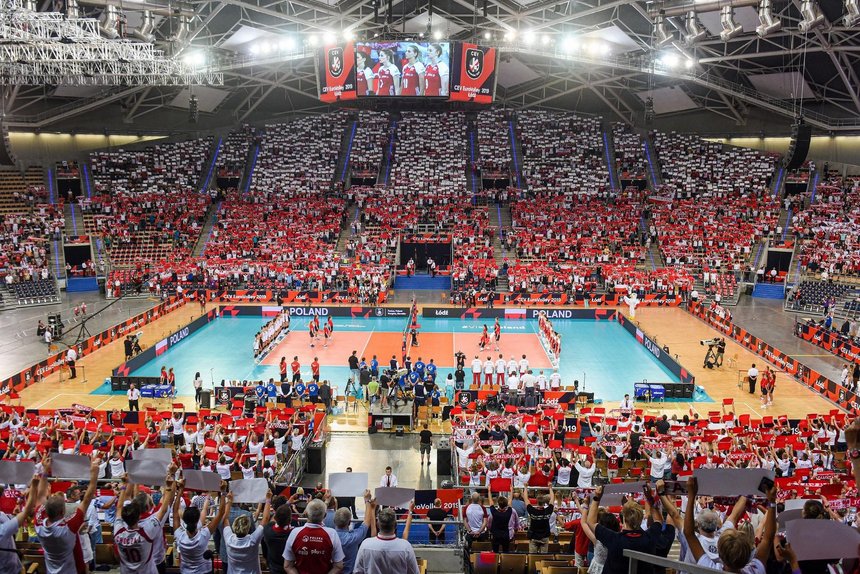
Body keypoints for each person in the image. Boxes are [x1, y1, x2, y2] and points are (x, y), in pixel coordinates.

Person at [682, 476, 776, 574]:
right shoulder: (755, 571)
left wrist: (691, 496)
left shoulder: (710, 569)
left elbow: (689, 534)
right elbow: (768, 539)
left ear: (720, 554)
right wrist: (772, 502)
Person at [36, 455, 102, 574]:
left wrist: (45, 470)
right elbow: (87, 500)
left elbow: (40, 496)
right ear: (63, 512)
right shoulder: (68, 528)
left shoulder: (39, 523)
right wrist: (94, 474)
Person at [587, 485, 663, 574]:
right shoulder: (649, 538)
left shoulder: (614, 538)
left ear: (623, 519)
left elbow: (591, 522)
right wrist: (649, 497)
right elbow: (658, 520)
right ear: (641, 518)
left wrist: (596, 498)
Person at [175, 487, 229, 574]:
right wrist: (223, 492)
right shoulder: (204, 535)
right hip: (204, 571)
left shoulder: (179, 535)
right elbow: (220, 512)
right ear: (197, 521)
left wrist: (180, 491)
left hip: (186, 571)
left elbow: (175, 511)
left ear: (184, 519)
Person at [283, 499, 345, 574]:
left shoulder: (295, 533)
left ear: (306, 514)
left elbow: (287, 566)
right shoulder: (332, 534)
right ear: (325, 515)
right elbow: (339, 566)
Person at [353, 506, 419, 574]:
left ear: (378, 525)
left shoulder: (365, 545)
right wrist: (410, 511)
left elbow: (357, 571)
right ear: (395, 525)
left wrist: (372, 509)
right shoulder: (405, 547)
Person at [223, 490, 272, 574]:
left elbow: (225, 519)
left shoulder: (229, 539)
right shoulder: (253, 540)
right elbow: (266, 519)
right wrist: (268, 499)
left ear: (234, 527)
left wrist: (229, 501)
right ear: (248, 528)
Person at [0, 475, 38, 574]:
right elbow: (27, 511)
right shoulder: (2, 531)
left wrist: (15, 512)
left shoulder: (3, 517)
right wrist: (34, 486)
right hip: (9, 570)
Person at [334, 491, 374, 574]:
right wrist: (367, 501)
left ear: (334, 521)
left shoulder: (329, 536)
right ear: (349, 522)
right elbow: (367, 522)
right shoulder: (353, 537)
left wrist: (327, 501)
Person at [263, 502, 293, 574]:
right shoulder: (293, 534)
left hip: (273, 568)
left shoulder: (267, 530)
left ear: (275, 518)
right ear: (290, 520)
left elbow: (271, 521)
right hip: (289, 568)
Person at [524, 486, 554, 553]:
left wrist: (525, 487)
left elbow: (526, 499)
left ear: (536, 502)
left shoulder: (532, 511)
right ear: (544, 503)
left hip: (534, 537)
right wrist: (550, 488)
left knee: (532, 557)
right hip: (544, 537)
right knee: (543, 557)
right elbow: (552, 499)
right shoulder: (548, 511)